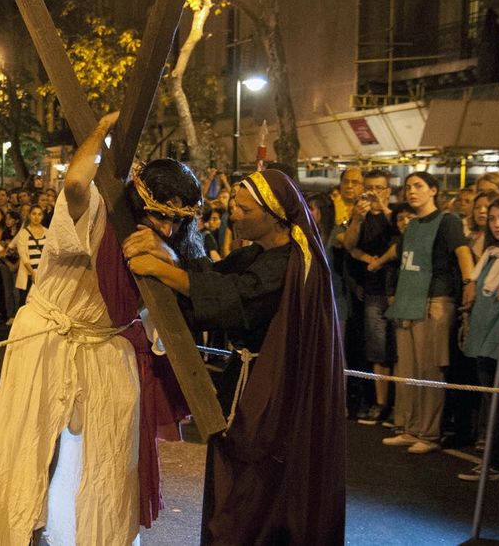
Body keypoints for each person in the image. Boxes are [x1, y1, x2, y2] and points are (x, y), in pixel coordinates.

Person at [0, 113, 190, 546]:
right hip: (48, 333)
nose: (168, 228)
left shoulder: (172, 245)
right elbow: (75, 183)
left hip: (108, 343)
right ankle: (19, 535)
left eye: (177, 221)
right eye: (159, 216)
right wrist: (100, 131)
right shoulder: (97, 207)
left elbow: (188, 294)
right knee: (29, 447)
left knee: (115, 455)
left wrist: (167, 252)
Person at [124, 168, 346, 544]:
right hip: (244, 384)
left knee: (252, 491)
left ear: (274, 215)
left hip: (272, 395)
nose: (235, 216)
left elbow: (235, 297)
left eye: (244, 209)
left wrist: (161, 268)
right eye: (233, 207)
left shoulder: (288, 263)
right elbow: (214, 276)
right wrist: (168, 255)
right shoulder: (256, 254)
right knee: (234, 487)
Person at [383, 171, 474, 454]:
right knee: (407, 371)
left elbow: (462, 251)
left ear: (433, 190)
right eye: (408, 186)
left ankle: (429, 433)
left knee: (429, 370)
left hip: (434, 301)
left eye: (419, 186)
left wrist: (469, 282)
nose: (412, 191)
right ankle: (409, 428)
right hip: (408, 302)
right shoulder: (412, 225)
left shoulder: (448, 221)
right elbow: (399, 255)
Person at [457, 195, 499, 482]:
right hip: (483, 335)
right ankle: (493, 460)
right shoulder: (490, 253)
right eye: (493, 218)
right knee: (489, 400)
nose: (497, 224)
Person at [343, 169, 399, 426]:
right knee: (376, 349)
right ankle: (380, 403)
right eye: (369, 188)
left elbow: (403, 239)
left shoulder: (396, 214)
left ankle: (397, 405)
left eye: (379, 187)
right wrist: (357, 218)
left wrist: (385, 208)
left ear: (388, 190)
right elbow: (350, 245)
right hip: (373, 290)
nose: (373, 193)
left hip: (397, 289)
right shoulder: (360, 215)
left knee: (398, 351)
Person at [9, 205, 48, 307]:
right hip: (29, 273)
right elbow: (23, 255)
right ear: (29, 215)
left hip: (44, 273)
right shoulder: (23, 233)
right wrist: (33, 273)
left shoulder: (47, 232)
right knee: (26, 303)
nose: (36, 217)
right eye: (34, 214)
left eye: (39, 214)